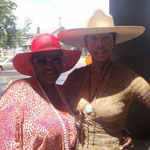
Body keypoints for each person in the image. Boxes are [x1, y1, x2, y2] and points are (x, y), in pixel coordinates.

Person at [57, 9, 149, 150]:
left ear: (114, 41)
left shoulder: (129, 79)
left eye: (106, 37)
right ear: (86, 42)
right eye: (94, 38)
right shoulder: (75, 77)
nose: (100, 44)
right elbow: (56, 109)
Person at [0, 33, 81, 150]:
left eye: (55, 60)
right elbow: (5, 142)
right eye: (42, 61)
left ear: (61, 62)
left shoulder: (64, 92)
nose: (50, 66)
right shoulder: (17, 92)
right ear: (33, 63)